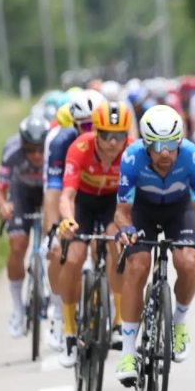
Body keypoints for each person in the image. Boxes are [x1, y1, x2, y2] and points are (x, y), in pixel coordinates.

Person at [114, 105, 195, 386]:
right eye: (157, 145)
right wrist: (126, 230)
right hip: (142, 211)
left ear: (180, 141)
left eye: (171, 144)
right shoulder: (132, 157)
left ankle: (179, 322)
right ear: (145, 144)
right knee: (138, 266)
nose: (164, 152)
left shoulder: (193, 156)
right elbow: (122, 212)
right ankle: (128, 352)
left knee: (187, 262)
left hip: (178, 210)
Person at [56, 101, 133, 367]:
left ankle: (119, 320)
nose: (114, 142)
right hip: (84, 204)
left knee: (118, 244)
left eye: (120, 135)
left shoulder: (131, 152)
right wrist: (68, 220)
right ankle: (67, 330)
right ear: (95, 132)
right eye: (107, 135)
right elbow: (67, 195)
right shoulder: (79, 149)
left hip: (113, 203)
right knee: (75, 257)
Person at [42, 89, 104, 351]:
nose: (92, 131)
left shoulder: (115, 139)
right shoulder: (60, 141)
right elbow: (53, 193)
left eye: (96, 125)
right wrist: (52, 232)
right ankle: (59, 313)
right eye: (86, 126)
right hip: (74, 195)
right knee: (61, 252)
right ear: (75, 124)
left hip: (105, 195)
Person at [0, 116, 49, 337]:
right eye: (31, 149)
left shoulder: (55, 150)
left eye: (40, 149)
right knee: (17, 246)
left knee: (53, 242)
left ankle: (51, 295)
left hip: (48, 192)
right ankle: (17, 308)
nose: (36, 154)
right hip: (21, 193)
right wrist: (4, 205)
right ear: (22, 144)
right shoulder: (12, 150)